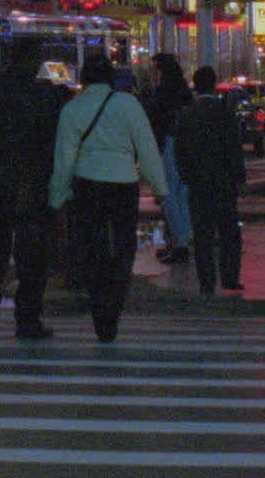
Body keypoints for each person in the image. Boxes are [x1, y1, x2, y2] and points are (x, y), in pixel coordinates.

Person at [48, 50, 168, 344]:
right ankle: (114, 304)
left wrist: (57, 196)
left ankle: (100, 310)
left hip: (87, 184)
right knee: (124, 247)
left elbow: (64, 159)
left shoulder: (73, 110)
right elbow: (147, 149)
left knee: (93, 248)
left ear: (85, 78)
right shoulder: (128, 105)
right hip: (123, 183)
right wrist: (160, 188)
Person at [0, 38, 66, 342]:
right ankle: (28, 318)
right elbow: (52, 145)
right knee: (31, 258)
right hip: (28, 188)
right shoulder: (43, 94)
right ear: (35, 62)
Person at [172, 65, 246, 295]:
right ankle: (230, 277)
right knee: (228, 231)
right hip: (223, 181)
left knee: (203, 234)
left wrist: (186, 175)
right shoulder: (225, 113)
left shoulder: (186, 114)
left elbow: (180, 150)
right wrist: (238, 178)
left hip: (198, 182)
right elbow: (235, 148)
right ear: (214, 84)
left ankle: (207, 281)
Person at [144, 52, 194, 264]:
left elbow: (155, 120)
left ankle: (179, 241)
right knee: (181, 194)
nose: (151, 73)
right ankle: (182, 239)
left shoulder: (161, 93)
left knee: (167, 194)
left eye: (154, 69)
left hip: (168, 144)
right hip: (184, 144)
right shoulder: (183, 91)